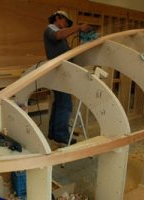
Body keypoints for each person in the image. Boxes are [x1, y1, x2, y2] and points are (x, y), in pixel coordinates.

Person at [43, 11, 90, 144]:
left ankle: (53, 133)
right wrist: (79, 28)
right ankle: (61, 135)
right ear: (57, 17)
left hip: (61, 72)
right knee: (65, 103)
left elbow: (67, 53)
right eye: (65, 22)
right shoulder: (51, 29)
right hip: (59, 73)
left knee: (59, 103)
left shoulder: (61, 36)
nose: (66, 25)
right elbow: (57, 35)